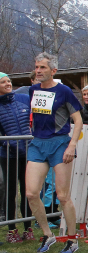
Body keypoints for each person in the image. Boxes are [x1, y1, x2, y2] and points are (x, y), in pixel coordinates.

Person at [25, 53, 83, 253]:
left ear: (53, 71)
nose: (38, 71)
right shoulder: (33, 90)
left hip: (60, 144)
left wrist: (72, 145)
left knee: (63, 196)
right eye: (37, 67)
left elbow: (78, 120)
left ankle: (72, 239)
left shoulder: (64, 91)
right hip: (38, 143)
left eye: (42, 67)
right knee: (32, 193)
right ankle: (48, 234)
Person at [0, 72, 32, 243]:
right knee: (11, 192)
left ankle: (28, 228)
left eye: (9, 81)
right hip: (8, 156)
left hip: (27, 153)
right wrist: (7, 144)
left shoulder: (22, 100)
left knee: (28, 191)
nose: (7, 84)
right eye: (3, 82)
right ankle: (12, 230)